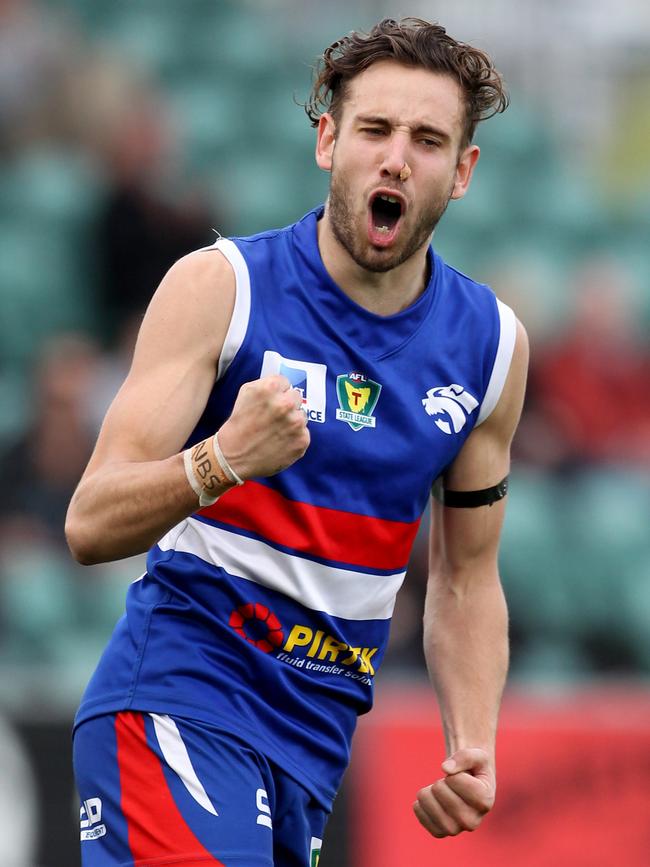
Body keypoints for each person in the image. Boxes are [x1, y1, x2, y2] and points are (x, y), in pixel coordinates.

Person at [66, 17, 528, 867]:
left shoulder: (491, 348)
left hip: (311, 748)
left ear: (462, 172)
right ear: (328, 141)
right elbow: (90, 520)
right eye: (375, 129)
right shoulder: (221, 288)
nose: (396, 157)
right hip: (175, 702)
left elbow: (465, 579)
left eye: (427, 140)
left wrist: (474, 739)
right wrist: (221, 460)